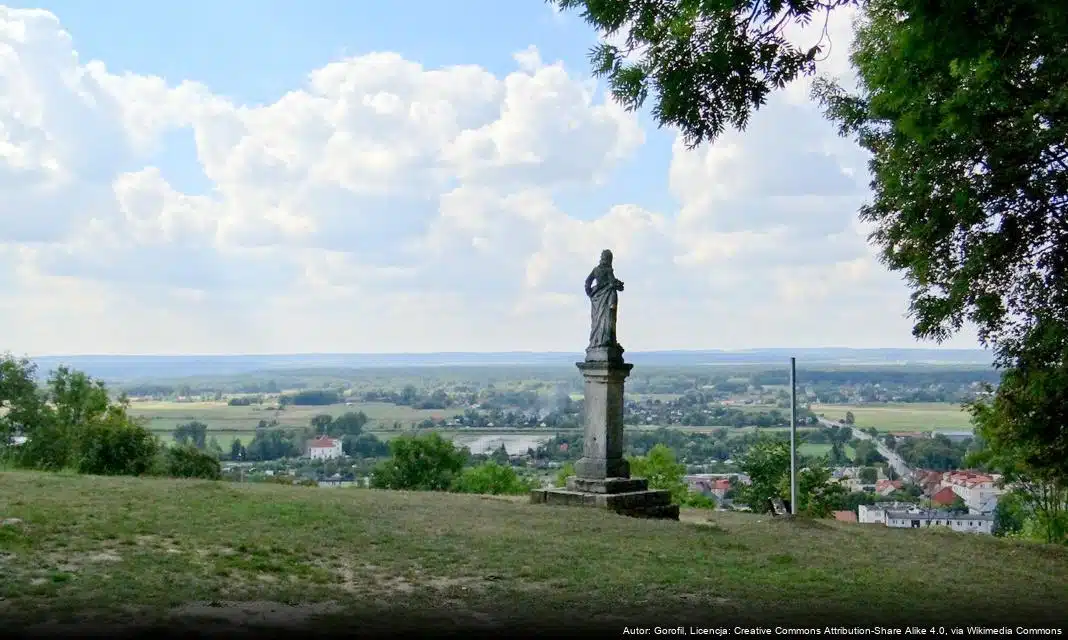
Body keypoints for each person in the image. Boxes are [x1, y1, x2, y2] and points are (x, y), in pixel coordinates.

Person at [584, 249, 624, 350]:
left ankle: (596, 341)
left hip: (597, 298)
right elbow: (612, 282)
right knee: (608, 319)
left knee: (597, 321)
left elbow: (587, 282)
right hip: (608, 296)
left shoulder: (596, 270)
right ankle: (607, 340)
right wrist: (619, 285)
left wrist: (591, 294)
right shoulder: (608, 270)